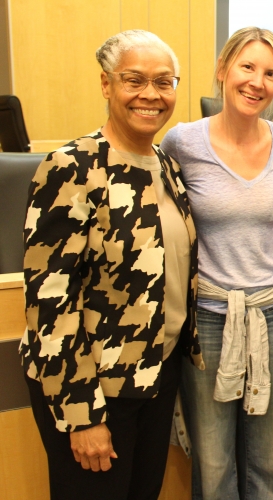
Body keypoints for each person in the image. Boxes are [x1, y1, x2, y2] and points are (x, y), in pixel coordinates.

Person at [20, 30, 200, 500]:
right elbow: (50, 301)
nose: (150, 94)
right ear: (106, 84)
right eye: (133, 80)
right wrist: (82, 414)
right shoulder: (71, 167)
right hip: (94, 387)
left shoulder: (166, 166)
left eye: (164, 82)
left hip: (154, 376)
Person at [159, 27, 273, 500]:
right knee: (214, 463)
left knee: (271, 458)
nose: (257, 82)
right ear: (223, 71)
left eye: (270, 73)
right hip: (209, 318)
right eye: (247, 67)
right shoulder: (181, 142)